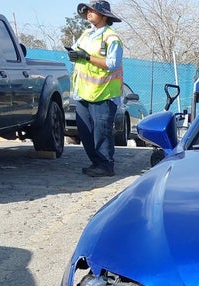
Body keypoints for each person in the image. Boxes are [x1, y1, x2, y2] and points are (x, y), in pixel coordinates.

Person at [68, 1, 124, 177]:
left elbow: (113, 64)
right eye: (88, 10)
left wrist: (87, 57)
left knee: (102, 131)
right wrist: (74, 55)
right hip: (83, 93)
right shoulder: (86, 34)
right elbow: (77, 52)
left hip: (103, 94)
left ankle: (106, 165)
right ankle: (96, 163)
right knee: (85, 131)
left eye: (93, 10)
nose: (88, 12)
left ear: (104, 16)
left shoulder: (111, 38)